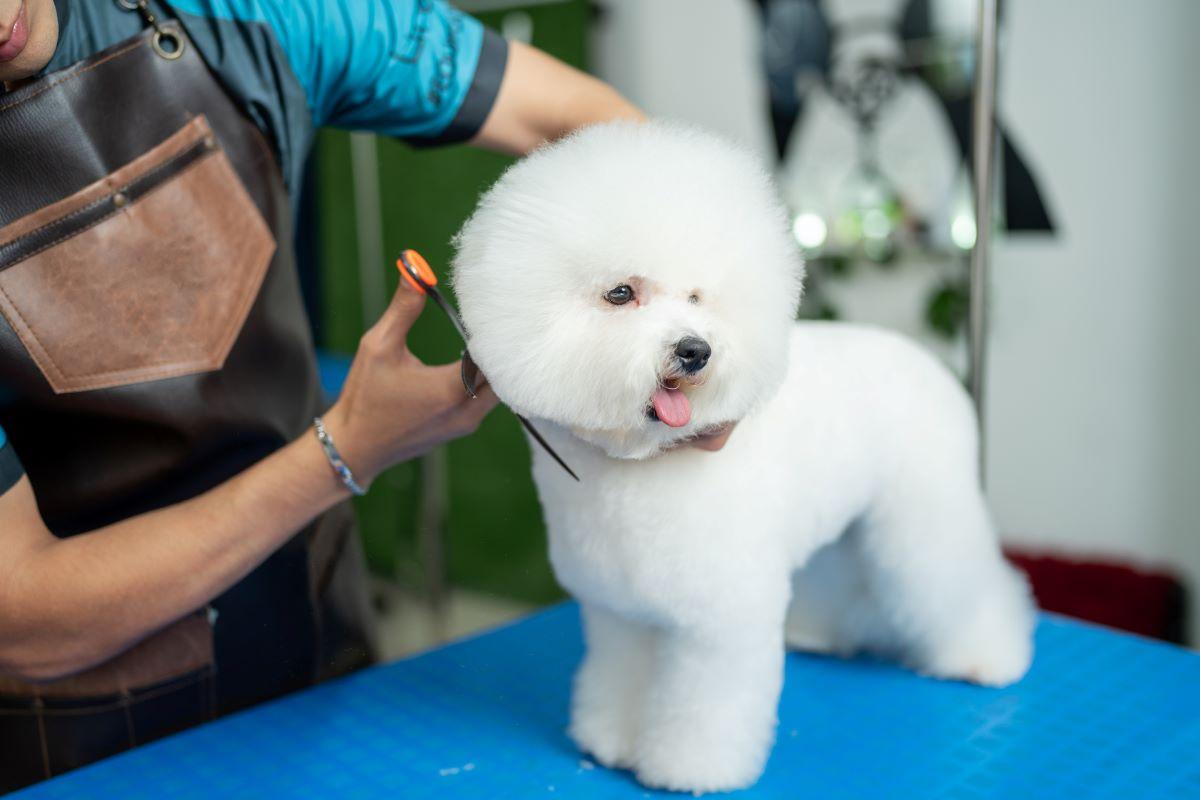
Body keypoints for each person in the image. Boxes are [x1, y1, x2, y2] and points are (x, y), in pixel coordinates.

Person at [0, 0, 730, 789]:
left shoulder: (248, 22)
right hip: (83, 738)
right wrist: (344, 451)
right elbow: (25, 618)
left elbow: (572, 115)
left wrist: (677, 331)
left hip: (319, 646)